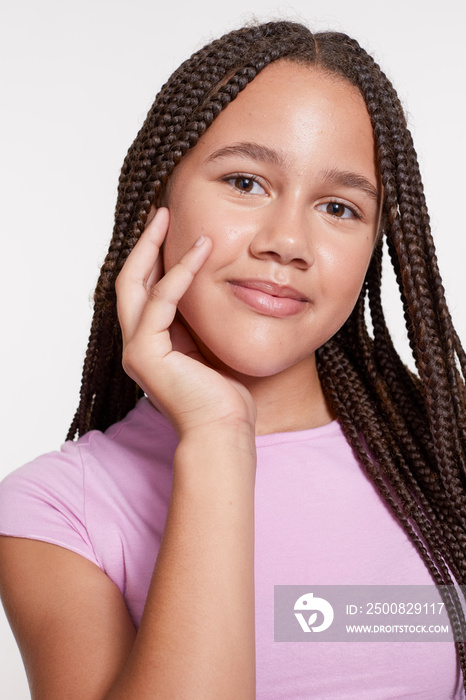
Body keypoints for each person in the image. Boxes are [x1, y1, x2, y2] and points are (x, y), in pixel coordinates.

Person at [0, 19, 465, 699]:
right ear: (158, 199)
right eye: (246, 182)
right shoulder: (56, 513)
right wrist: (219, 437)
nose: (287, 241)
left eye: (339, 207)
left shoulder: (442, 451)